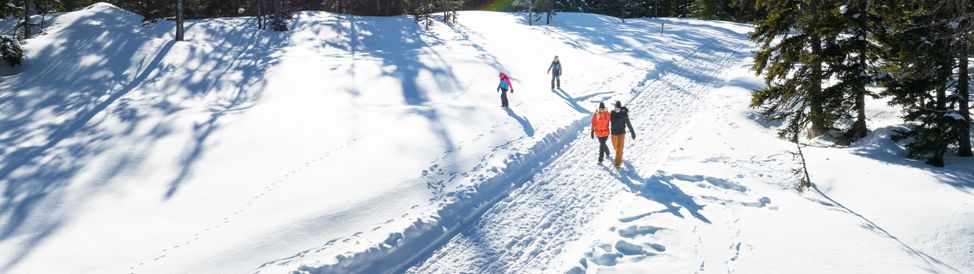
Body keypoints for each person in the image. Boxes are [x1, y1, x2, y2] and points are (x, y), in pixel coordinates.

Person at [609, 101, 636, 167]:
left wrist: (632, 132)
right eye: (616, 109)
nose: (617, 110)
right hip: (613, 133)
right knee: (615, 147)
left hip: (621, 133)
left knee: (619, 148)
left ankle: (618, 163)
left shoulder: (624, 115)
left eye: (618, 109)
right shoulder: (612, 114)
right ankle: (620, 153)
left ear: (620, 108)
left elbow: (629, 124)